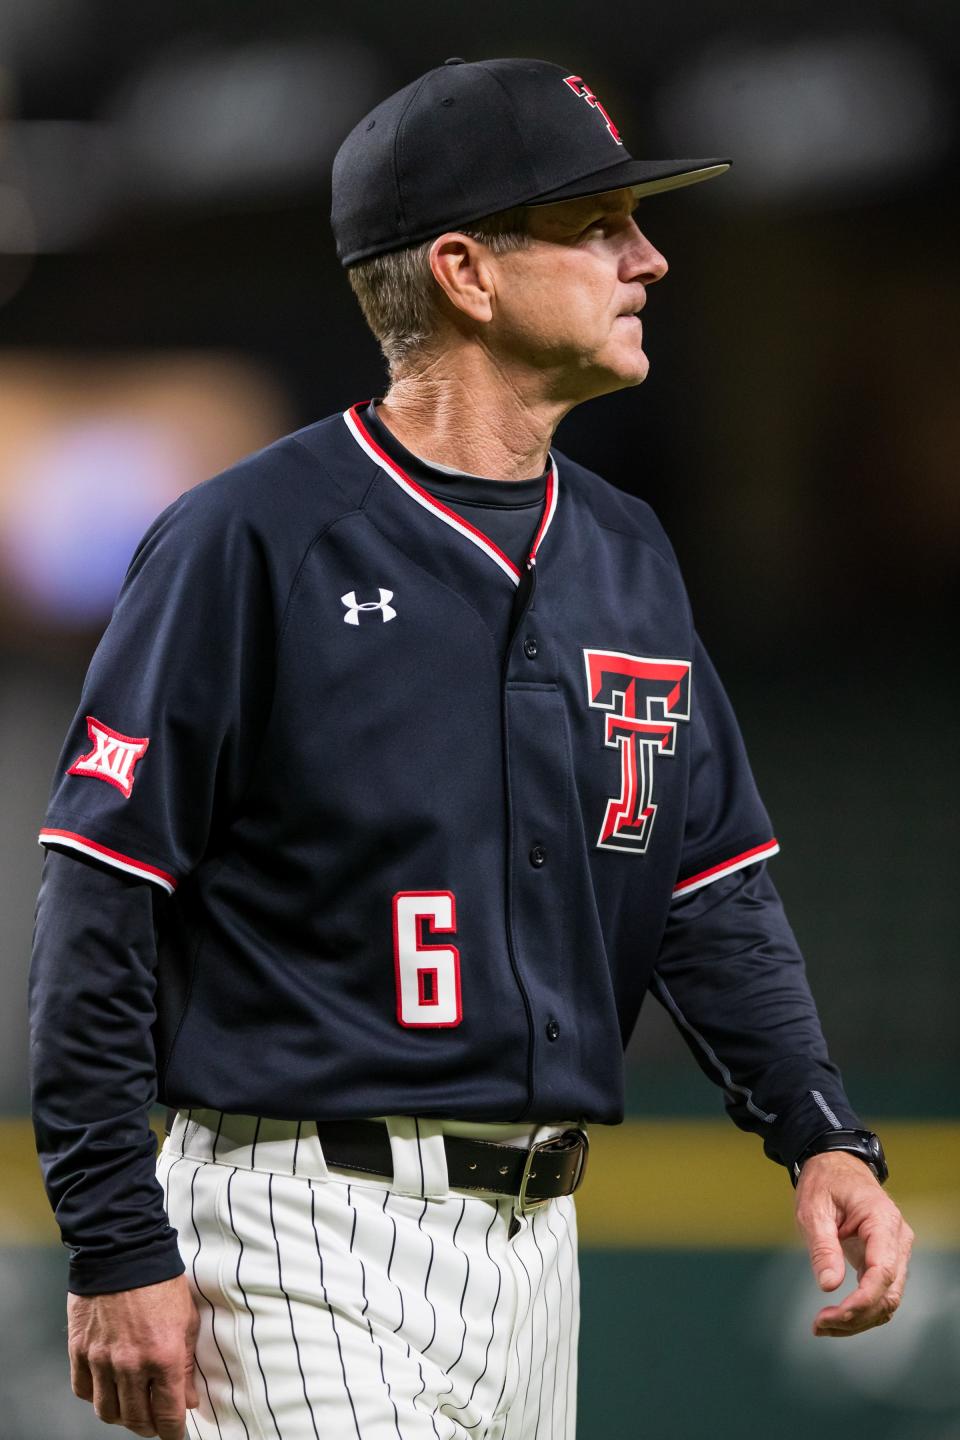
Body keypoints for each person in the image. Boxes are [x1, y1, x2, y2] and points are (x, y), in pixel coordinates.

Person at [29, 56, 913, 1440]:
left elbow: (706, 882)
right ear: (466, 271)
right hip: (297, 1227)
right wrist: (112, 1235)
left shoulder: (625, 551)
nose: (651, 258)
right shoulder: (254, 539)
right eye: (599, 225)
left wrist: (821, 1135)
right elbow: (102, 890)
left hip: (535, 1250)